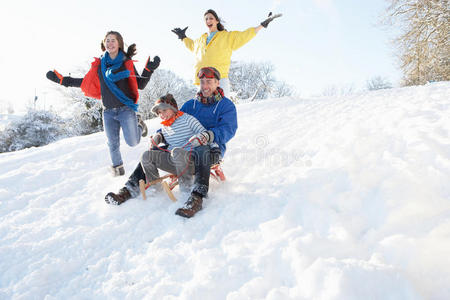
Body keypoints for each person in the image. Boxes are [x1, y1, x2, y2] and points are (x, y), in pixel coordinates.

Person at [106, 67, 238, 218]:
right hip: (184, 149)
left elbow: (229, 129)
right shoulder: (191, 105)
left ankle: (197, 197)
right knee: (152, 153)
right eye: (202, 82)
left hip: (211, 149)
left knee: (202, 148)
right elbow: (174, 121)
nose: (205, 86)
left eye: (209, 82)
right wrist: (159, 135)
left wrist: (209, 136)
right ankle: (129, 189)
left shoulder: (226, 106)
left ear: (217, 82)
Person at [46, 30, 160, 176]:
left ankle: (138, 125)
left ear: (119, 43)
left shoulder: (126, 63)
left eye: (113, 40)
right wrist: (62, 81)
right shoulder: (100, 65)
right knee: (112, 143)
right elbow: (85, 83)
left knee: (132, 142)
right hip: (108, 111)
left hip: (126, 109)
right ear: (103, 43)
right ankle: (118, 169)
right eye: (107, 40)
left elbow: (140, 84)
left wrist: (149, 69)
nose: (110, 43)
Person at [105, 93, 208, 205]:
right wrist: (158, 136)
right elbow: (165, 137)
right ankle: (155, 188)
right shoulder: (165, 126)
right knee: (146, 155)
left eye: (164, 110)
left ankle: (186, 189)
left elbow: (204, 134)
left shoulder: (188, 119)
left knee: (177, 151)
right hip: (174, 162)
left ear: (173, 108)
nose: (162, 114)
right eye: (159, 112)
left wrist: (201, 139)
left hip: (190, 162)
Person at [172, 9, 281, 97]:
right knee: (202, 112)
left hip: (219, 79)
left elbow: (243, 36)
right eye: (206, 19)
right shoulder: (201, 39)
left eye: (211, 18)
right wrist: (183, 37)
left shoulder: (225, 36)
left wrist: (261, 25)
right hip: (202, 80)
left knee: (221, 110)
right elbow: (192, 45)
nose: (208, 20)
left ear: (217, 21)